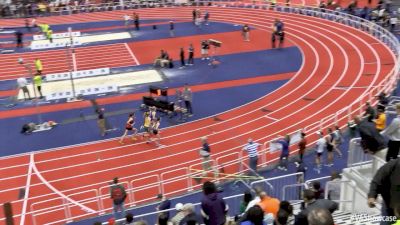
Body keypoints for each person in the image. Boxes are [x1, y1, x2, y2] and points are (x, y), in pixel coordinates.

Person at [368, 158, 400, 224]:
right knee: (387, 220)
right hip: (389, 202)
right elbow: (376, 180)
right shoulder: (391, 165)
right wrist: (372, 196)